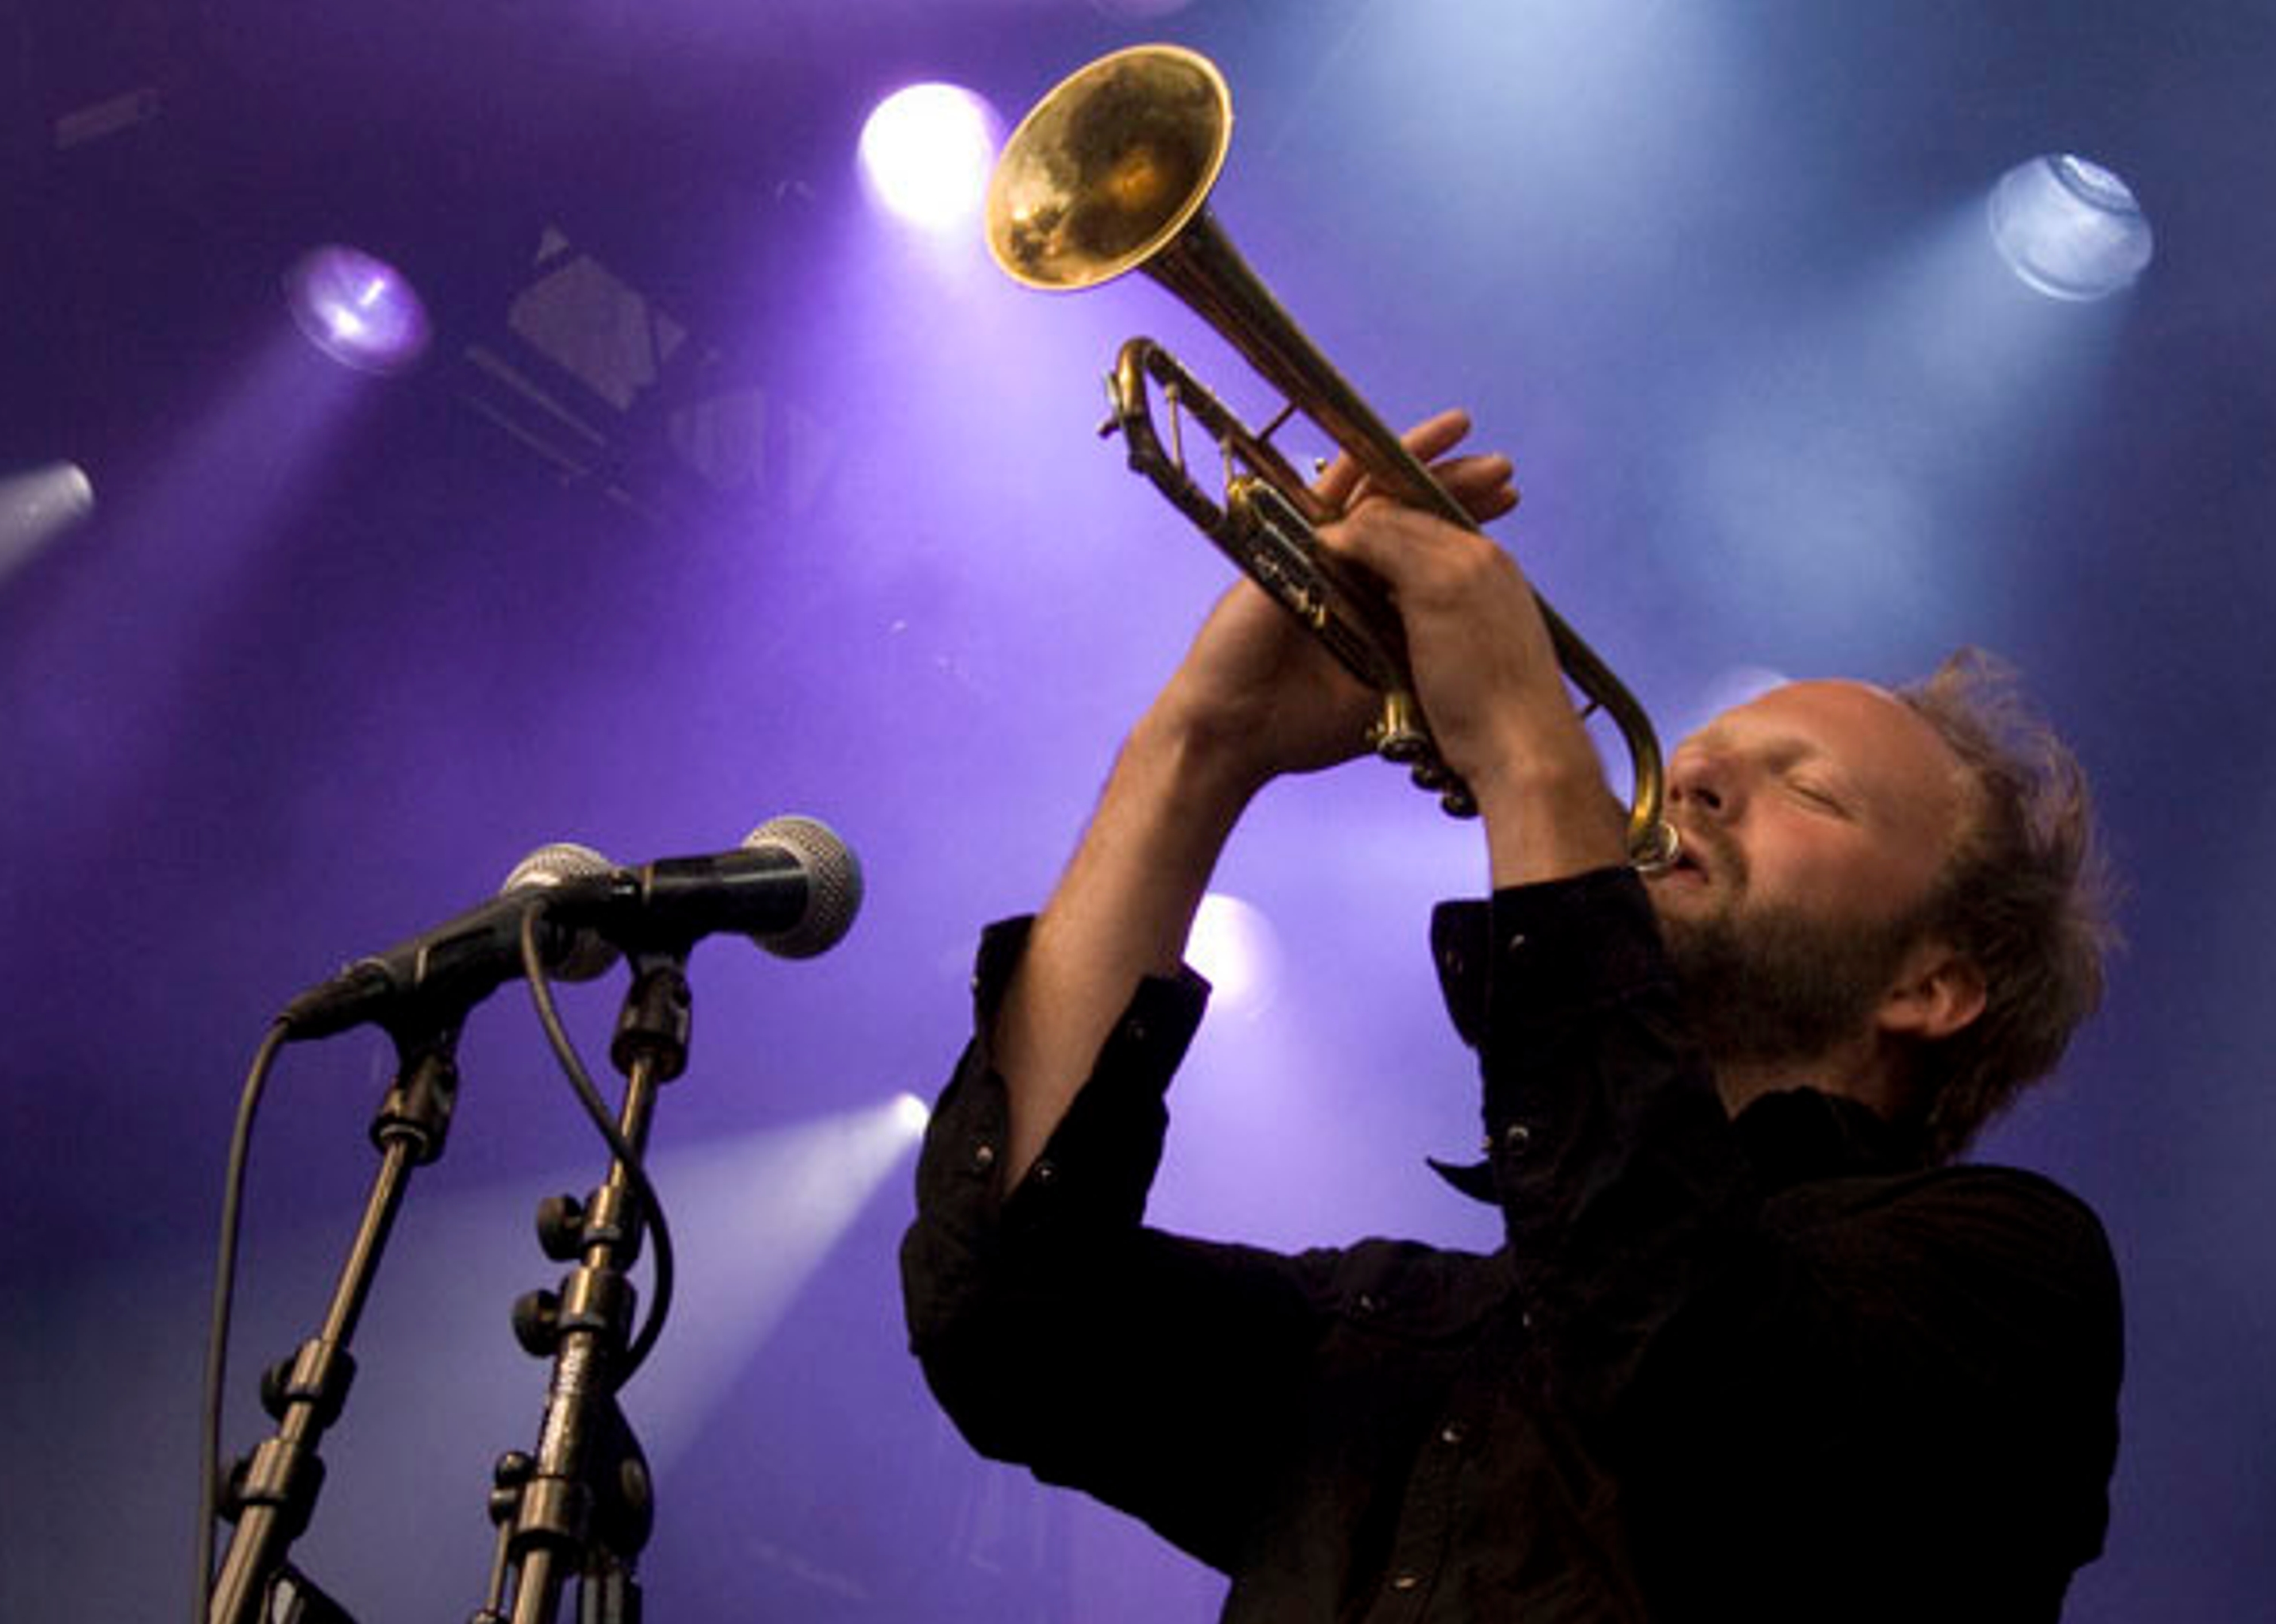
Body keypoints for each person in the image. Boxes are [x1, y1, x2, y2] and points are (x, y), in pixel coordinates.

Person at [900, 411, 2123, 1621]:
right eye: (1704, 755)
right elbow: (1008, 1310)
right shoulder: (1411, 1334)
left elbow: (1684, 1360)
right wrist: (1199, 745)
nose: (1688, 776)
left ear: (1933, 987)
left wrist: (1535, 760)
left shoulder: (2010, 1276)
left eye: (1808, 790)